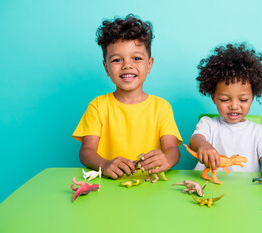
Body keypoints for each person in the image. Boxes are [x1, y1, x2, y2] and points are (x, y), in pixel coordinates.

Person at [73, 14, 182, 179]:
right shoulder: (98, 106)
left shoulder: (161, 107)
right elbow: (86, 152)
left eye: (137, 58)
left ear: (149, 64)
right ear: (106, 67)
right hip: (109, 187)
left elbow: (173, 150)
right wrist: (105, 164)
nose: (127, 65)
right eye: (117, 60)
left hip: (150, 185)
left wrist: (166, 159)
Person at [189, 42, 262, 181]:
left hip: (247, 190)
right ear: (214, 98)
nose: (234, 106)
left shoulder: (257, 131)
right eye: (224, 99)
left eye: (243, 100)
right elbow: (195, 140)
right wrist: (203, 145)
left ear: (252, 97)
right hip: (209, 185)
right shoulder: (208, 124)